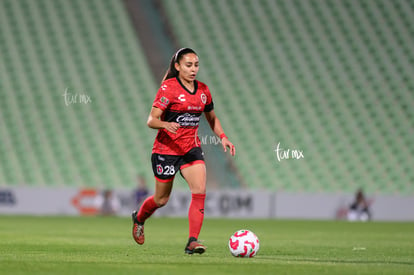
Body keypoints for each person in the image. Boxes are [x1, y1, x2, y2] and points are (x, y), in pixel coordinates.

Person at [131, 48, 235, 254]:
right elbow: (151, 120)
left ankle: (192, 241)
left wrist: (223, 137)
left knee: (199, 192)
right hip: (166, 150)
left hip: (191, 149)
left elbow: (211, 117)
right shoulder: (168, 88)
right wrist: (164, 125)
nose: (193, 69)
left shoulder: (203, 90)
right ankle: (139, 218)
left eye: (196, 65)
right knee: (161, 200)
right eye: (188, 65)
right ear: (177, 66)